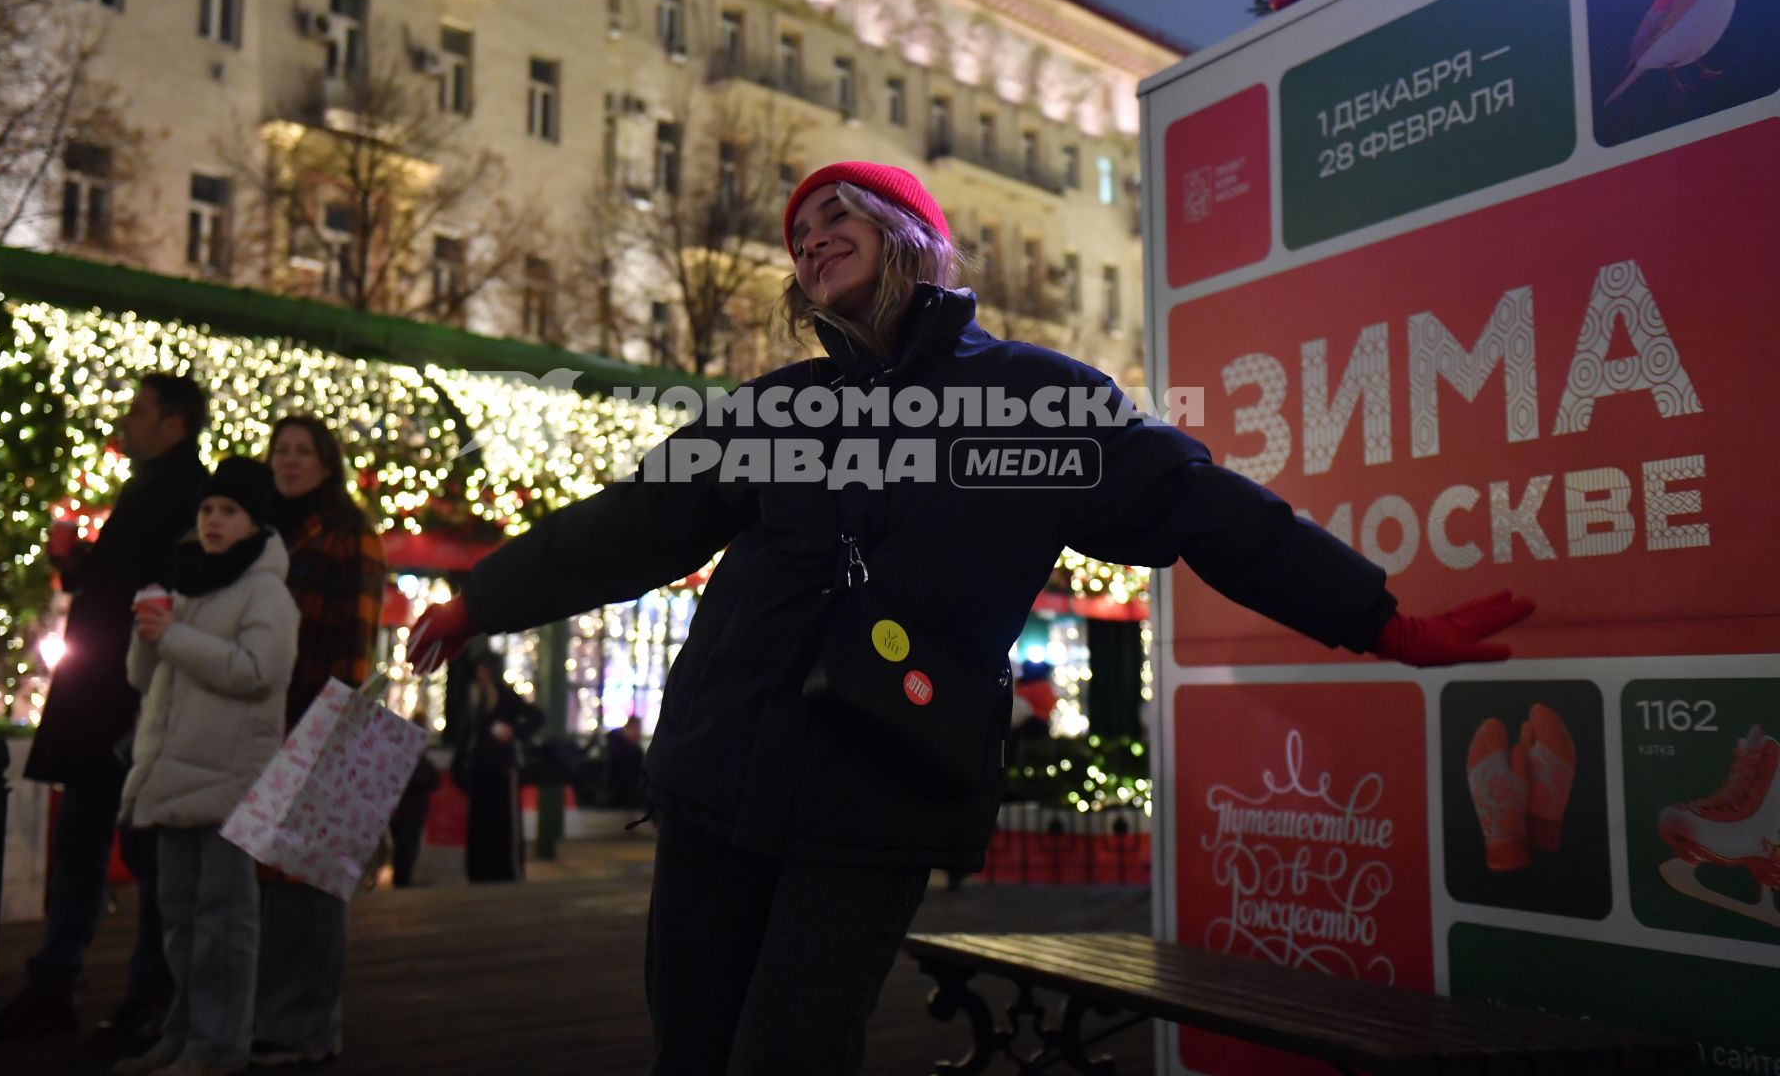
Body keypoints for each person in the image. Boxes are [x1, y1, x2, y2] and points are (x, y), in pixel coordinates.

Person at [408, 162, 1534, 1076]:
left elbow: (1201, 506)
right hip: (715, 779)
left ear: (911, 235)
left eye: (837, 214)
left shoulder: (1039, 400)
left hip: (880, 789)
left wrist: (1379, 617)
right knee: (691, 1047)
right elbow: (635, 524)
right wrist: (483, 599)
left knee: (792, 1053)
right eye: (799, 235)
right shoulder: (776, 407)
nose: (812, 238)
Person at [0, 374, 209, 1042]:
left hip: (125, 702)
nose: (126, 421)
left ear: (172, 424)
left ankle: (113, 988)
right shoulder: (162, 490)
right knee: (105, 845)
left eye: (139, 411)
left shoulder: (178, 496)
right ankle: (96, 986)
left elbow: (154, 594)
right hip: (117, 697)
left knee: (122, 850)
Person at [112, 456, 299, 1076]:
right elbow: (147, 678)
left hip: (229, 774)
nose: (214, 521)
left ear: (253, 522)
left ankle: (218, 1047)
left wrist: (171, 638)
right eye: (207, 509)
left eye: (229, 511)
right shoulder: (186, 581)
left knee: (224, 921)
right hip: (175, 770)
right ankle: (183, 1033)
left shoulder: (266, 590)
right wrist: (147, 635)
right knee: (180, 917)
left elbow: (257, 672)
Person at [249, 415, 384, 1068]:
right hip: (263, 718)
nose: (290, 461)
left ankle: (302, 1027)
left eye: (304, 451)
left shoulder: (348, 533)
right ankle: (271, 1017)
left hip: (318, 720)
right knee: (268, 884)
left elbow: (353, 646)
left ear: (328, 463)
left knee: (306, 887)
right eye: (281, 450)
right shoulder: (266, 530)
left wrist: (329, 724)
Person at [451, 657, 545, 882]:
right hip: (479, 770)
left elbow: (537, 717)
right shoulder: (475, 700)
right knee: (481, 824)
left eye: (484, 670)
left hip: (501, 771)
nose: (480, 675)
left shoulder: (505, 697)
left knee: (502, 823)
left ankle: (505, 872)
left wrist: (513, 731)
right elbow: (468, 736)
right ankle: (480, 872)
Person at [388, 715, 441, 889]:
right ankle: (402, 879)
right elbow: (434, 780)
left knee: (402, 846)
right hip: (413, 808)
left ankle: (400, 878)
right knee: (408, 846)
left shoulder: (399, 755)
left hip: (400, 807)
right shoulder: (419, 759)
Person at [604, 713, 646, 810]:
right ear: (628, 728)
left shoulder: (627, 745)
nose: (638, 733)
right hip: (624, 792)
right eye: (637, 729)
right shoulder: (621, 747)